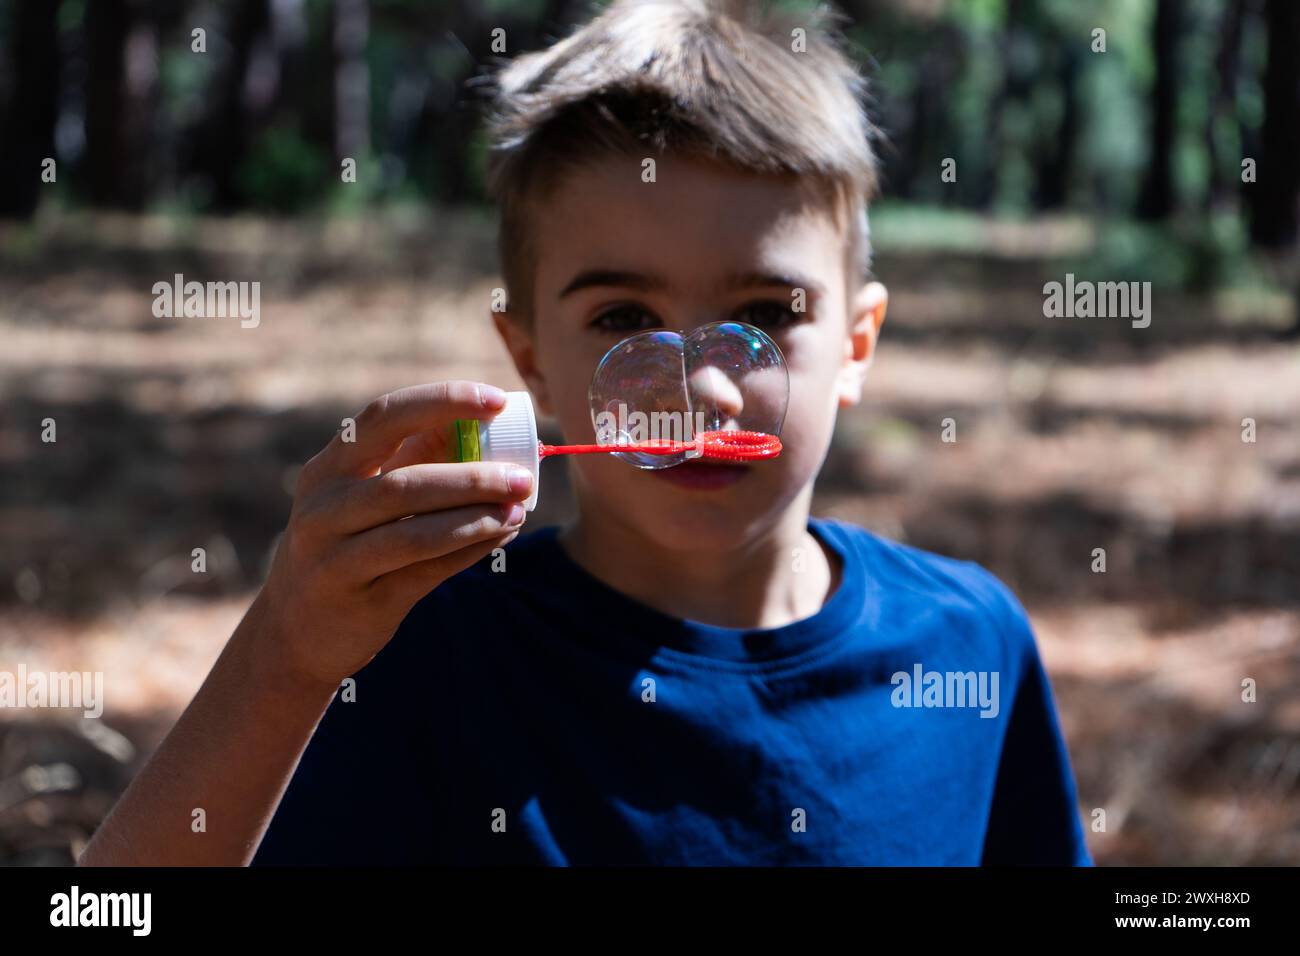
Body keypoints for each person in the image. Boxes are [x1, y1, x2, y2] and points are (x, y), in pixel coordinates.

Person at [81, 0, 1090, 866]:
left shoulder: (971, 648)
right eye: (622, 320)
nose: (703, 389)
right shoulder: (427, 652)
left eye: (769, 314)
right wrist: (286, 656)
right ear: (529, 362)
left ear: (858, 341)